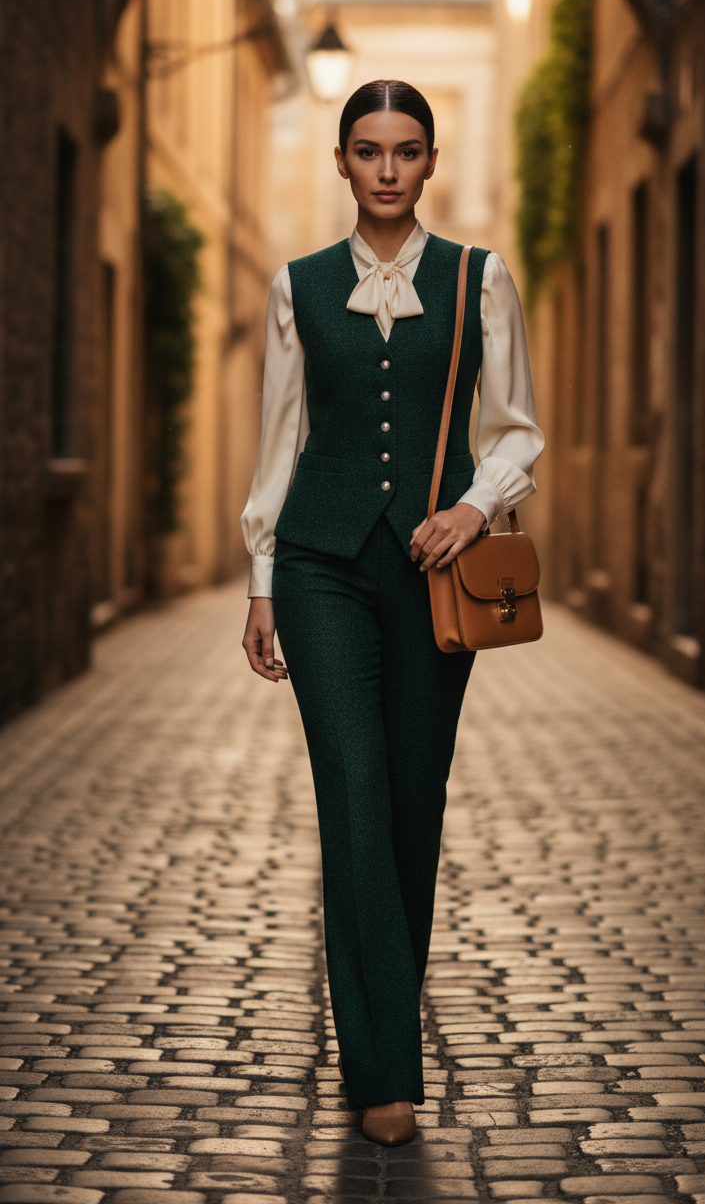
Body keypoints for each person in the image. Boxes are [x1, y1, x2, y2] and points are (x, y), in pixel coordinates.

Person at [241, 79, 544, 1145]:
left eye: (405, 151)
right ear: (341, 162)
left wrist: (471, 506)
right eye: (366, 149)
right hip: (322, 566)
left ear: (427, 164)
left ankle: (381, 1030)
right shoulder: (299, 287)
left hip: (431, 578)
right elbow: (280, 443)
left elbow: (515, 430)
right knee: (356, 794)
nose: (385, 168)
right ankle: (382, 1071)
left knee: (413, 802)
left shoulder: (476, 279)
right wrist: (262, 582)